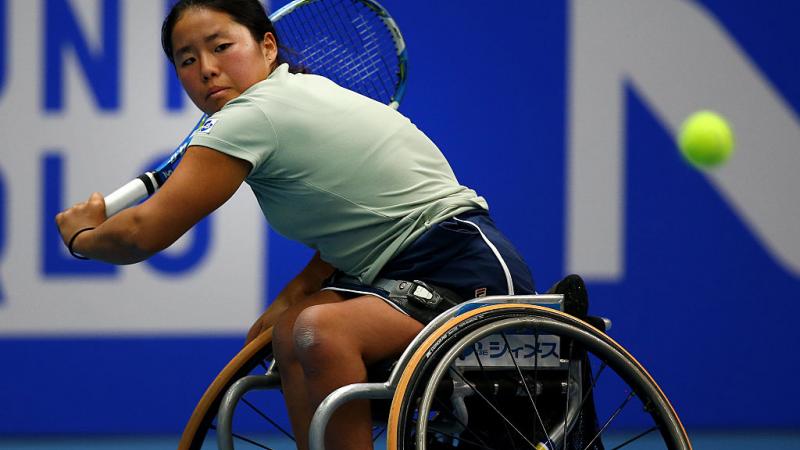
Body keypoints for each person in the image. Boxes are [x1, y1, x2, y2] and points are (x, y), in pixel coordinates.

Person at [55, 1, 535, 449]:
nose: (205, 68)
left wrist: (85, 237)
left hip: (464, 265)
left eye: (221, 47)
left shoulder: (253, 115)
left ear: (267, 47)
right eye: (186, 60)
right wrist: (297, 289)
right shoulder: (283, 99)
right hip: (399, 273)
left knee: (320, 331)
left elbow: (144, 232)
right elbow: (365, 218)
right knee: (291, 330)